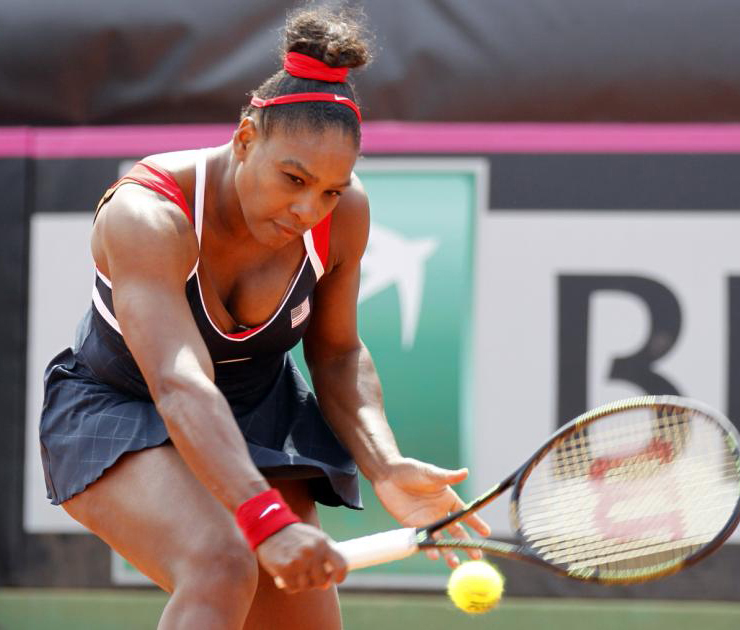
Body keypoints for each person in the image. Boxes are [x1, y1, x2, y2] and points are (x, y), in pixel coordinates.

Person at [38, 6, 488, 629]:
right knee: (222, 562)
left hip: (258, 410)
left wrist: (384, 464)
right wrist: (263, 516)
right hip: (123, 407)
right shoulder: (147, 217)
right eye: (293, 178)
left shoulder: (342, 215)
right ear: (246, 138)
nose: (309, 208)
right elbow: (179, 383)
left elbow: (335, 354)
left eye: (330, 190)